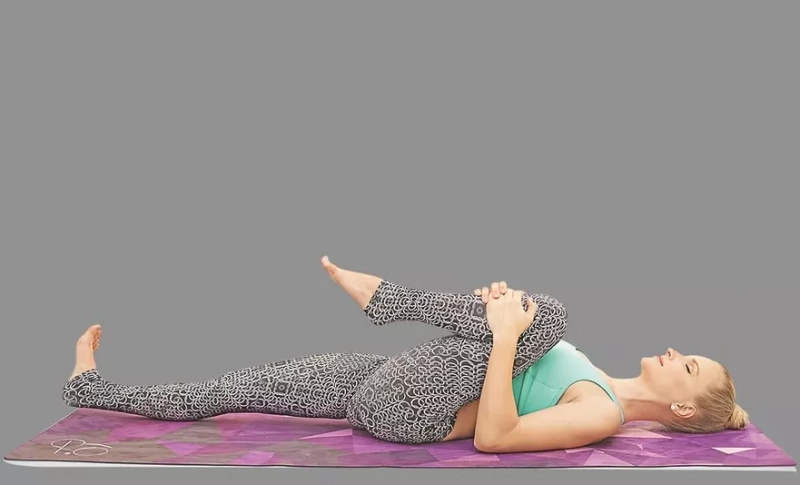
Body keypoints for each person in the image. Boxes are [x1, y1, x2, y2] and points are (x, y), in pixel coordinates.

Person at [61, 256, 749, 453]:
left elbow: (496, 435)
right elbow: (493, 347)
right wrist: (496, 318)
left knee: (549, 313)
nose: (675, 352)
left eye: (689, 365)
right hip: (389, 382)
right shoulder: (591, 369)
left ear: (685, 407)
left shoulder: (602, 414)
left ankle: (391, 298)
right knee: (235, 386)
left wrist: (506, 333)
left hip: (414, 410)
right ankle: (92, 387)